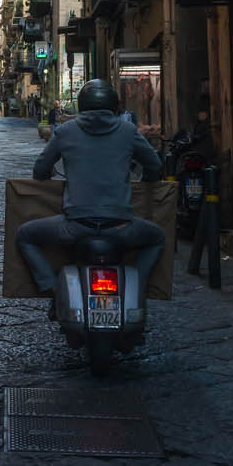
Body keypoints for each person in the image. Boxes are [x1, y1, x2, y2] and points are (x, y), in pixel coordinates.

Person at [15, 78, 164, 315]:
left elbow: (40, 170)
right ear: (114, 105)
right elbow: (154, 166)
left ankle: (53, 288)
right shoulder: (127, 131)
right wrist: (145, 181)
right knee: (157, 238)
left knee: (24, 235)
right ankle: (138, 289)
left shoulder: (65, 131)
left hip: (76, 226)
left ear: (82, 105)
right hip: (121, 226)